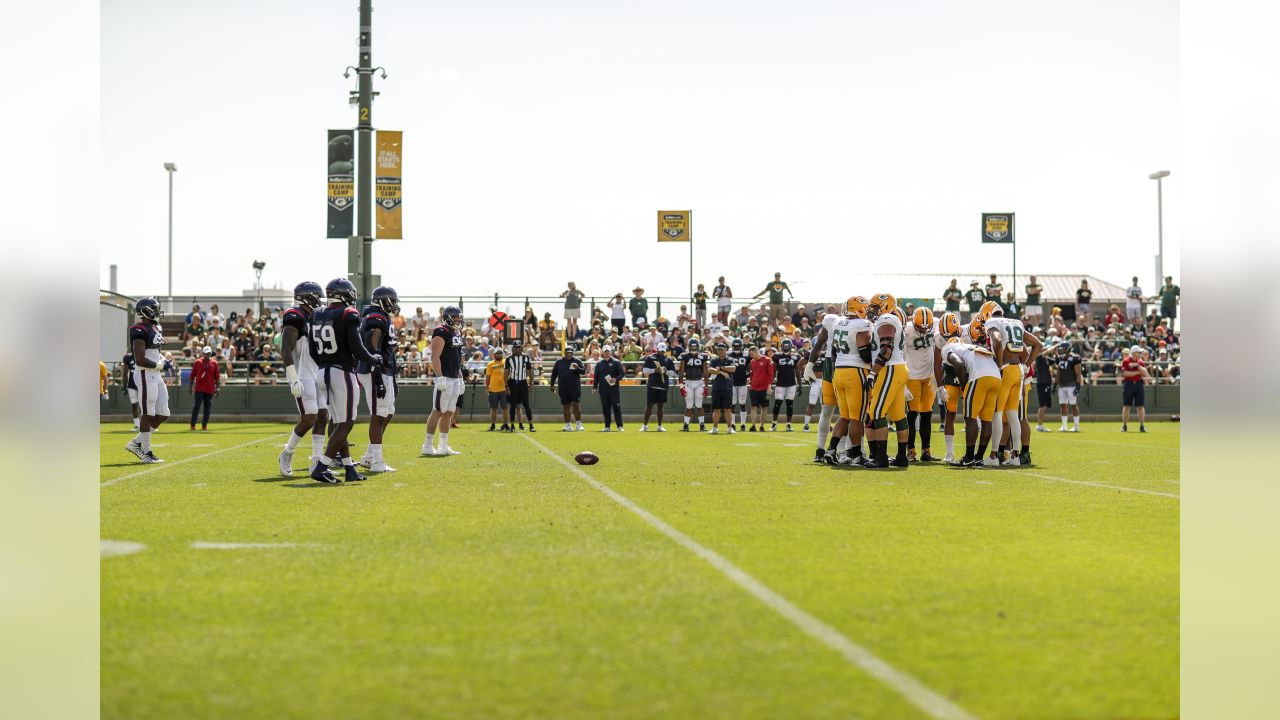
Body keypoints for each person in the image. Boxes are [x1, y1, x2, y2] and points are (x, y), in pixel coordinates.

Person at [311, 278, 384, 483]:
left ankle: (349, 467)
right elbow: (357, 347)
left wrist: (325, 364)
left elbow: (311, 349)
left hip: (322, 371)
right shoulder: (348, 314)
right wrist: (373, 359)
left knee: (337, 422)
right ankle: (322, 466)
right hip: (341, 372)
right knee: (346, 423)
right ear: (345, 294)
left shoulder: (317, 313)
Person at [277, 281, 329, 476]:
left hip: (317, 372)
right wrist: (293, 377)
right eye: (316, 296)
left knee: (323, 416)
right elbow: (286, 348)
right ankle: (287, 452)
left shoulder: (314, 316)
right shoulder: (295, 315)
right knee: (309, 417)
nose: (319, 300)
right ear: (307, 297)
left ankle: (316, 461)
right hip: (302, 374)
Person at [355, 286, 400, 472]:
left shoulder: (382, 316)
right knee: (379, 413)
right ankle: (377, 462)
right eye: (393, 300)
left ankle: (369, 456)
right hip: (375, 370)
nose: (395, 304)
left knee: (388, 411)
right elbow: (372, 349)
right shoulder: (376, 317)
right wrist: (378, 378)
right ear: (383, 301)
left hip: (384, 369)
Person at [863, 294, 909, 468]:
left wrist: (873, 373)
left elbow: (887, 348)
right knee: (898, 415)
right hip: (897, 368)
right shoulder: (890, 319)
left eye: (875, 307)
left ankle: (881, 458)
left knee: (876, 412)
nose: (872, 311)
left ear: (885, 306)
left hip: (889, 368)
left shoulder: (886, 319)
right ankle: (902, 457)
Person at [124, 297, 170, 464]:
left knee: (163, 413)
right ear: (146, 311)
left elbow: (155, 352)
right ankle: (147, 452)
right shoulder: (138, 329)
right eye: (155, 308)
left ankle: (135, 443)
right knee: (148, 413)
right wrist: (160, 365)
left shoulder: (156, 327)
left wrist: (163, 360)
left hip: (155, 374)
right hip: (144, 373)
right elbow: (140, 359)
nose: (157, 311)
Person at [941, 339, 1001, 467]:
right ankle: (978, 457)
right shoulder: (969, 347)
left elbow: (957, 364)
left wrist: (964, 386)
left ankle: (969, 457)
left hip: (980, 376)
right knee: (986, 419)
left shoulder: (947, 348)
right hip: (996, 376)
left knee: (970, 417)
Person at [422, 305, 466, 456]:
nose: (458, 320)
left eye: (459, 317)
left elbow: (457, 358)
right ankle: (427, 445)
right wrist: (439, 376)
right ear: (448, 317)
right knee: (437, 411)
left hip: (454, 377)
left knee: (448, 412)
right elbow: (435, 356)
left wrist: (460, 378)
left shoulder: (456, 332)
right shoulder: (441, 330)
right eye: (456, 317)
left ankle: (443, 446)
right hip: (445, 377)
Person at [902, 307, 939, 462]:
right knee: (911, 416)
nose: (924, 329)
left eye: (926, 327)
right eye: (920, 327)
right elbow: (901, 355)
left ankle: (926, 451)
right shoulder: (907, 331)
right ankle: (911, 451)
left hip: (929, 377)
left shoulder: (936, 323)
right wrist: (903, 382)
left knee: (927, 415)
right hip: (912, 376)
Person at [931, 313, 963, 463]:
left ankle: (974, 452)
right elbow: (937, 364)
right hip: (949, 372)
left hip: (966, 371)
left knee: (972, 413)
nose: (946, 338)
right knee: (950, 412)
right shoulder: (939, 337)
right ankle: (949, 453)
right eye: (944, 336)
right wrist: (940, 387)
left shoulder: (967, 334)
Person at [640, 343, 675, 431]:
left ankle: (659, 426)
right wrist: (655, 370)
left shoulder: (669, 359)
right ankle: (645, 426)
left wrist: (665, 371)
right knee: (649, 406)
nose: (662, 352)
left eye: (663, 351)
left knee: (660, 406)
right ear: (657, 349)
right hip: (652, 385)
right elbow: (645, 371)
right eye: (661, 350)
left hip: (663, 385)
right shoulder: (650, 358)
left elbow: (673, 373)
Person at [770, 338, 803, 431]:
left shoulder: (796, 357)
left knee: (790, 405)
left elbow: (798, 372)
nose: (786, 347)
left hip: (791, 384)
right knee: (777, 404)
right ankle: (774, 424)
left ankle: (788, 425)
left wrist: (800, 385)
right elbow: (773, 371)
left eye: (787, 346)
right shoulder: (777, 356)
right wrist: (770, 383)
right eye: (784, 346)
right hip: (780, 384)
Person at [550, 346, 585, 431]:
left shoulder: (577, 361)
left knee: (576, 405)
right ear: (564, 353)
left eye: (570, 353)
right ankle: (568, 425)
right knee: (566, 406)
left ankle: (578, 424)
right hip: (563, 387)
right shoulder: (559, 361)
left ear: (573, 353)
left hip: (574, 387)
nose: (569, 354)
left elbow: (583, 372)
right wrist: (552, 385)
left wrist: (578, 368)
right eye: (567, 353)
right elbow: (554, 374)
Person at [504, 340, 535, 431]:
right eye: (516, 347)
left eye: (519, 347)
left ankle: (531, 425)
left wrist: (531, 383)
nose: (518, 349)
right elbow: (506, 372)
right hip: (513, 382)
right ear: (513, 348)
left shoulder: (526, 357)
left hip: (523, 382)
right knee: (513, 405)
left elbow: (530, 370)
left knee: (526, 404)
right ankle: (512, 426)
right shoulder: (509, 358)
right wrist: (506, 386)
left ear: (522, 347)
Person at [593, 345, 625, 431]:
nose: (607, 353)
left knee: (616, 407)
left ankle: (620, 426)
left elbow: (622, 374)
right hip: (603, 390)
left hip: (614, 390)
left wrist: (615, 379)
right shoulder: (599, 364)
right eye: (605, 352)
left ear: (611, 352)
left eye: (608, 352)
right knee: (605, 408)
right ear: (602, 353)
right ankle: (607, 426)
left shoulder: (616, 362)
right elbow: (596, 377)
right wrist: (594, 387)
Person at [678, 337, 708, 432]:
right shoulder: (685, 356)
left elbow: (706, 372)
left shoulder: (703, 356)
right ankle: (686, 425)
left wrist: (706, 387)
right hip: (689, 382)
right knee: (689, 405)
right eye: (692, 346)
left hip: (699, 382)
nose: (694, 348)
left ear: (698, 347)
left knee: (699, 405)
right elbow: (681, 372)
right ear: (689, 346)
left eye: (695, 346)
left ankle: (702, 425)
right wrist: (681, 386)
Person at [706, 343, 736, 434]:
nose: (720, 351)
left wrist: (720, 368)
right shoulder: (714, 360)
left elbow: (733, 369)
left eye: (722, 350)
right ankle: (715, 428)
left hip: (727, 388)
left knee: (728, 409)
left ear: (726, 350)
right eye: (719, 350)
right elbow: (709, 370)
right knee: (716, 409)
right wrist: (721, 373)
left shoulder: (729, 359)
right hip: (717, 387)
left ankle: (730, 428)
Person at [1054, 342, 1084, 432]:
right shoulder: (1060, 358)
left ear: (1067, 348)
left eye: (1062, 348)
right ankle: (1064, 426)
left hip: (1071, 385)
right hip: (1062, 385)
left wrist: (1078, 386)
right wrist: (1055, 385)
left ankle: (1076, 426)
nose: (1061, 350)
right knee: (1063, 405)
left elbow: (1078, 374)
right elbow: (1058, 372)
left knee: (1073, 405)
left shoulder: (1075, 358)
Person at [189, 346, 220, 431]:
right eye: (206, 353)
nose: (207, 355)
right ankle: (192, 425)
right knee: (196, 407)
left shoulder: (214, 363)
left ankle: (204, 425)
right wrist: (190, 387)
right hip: (199, 388)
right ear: (203, 353)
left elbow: (217, 377)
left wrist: (217, 388)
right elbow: (192, 375)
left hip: (209, 389)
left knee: (207, 408)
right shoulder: (197, 362)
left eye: (209, 353)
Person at [1120, 344, 1150, 432]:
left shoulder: (1140, 362)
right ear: (1134, 353)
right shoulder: (1126, 361)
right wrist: (1137, 372)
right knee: (1127, 406)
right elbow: (1125, 374)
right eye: (1139, 352)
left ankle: (1142, 426)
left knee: (1140, 406)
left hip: (1138, 384)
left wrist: (1137, 365)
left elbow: (1144, 373)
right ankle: (1124, 426)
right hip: (1128, 384)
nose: (1140, 354)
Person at [746, 345, 774, 432]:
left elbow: (770, 374)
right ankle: (753, 425)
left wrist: (769, 386)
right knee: (753, 407)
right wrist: (749, 381)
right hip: (754, 387)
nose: (751, 356)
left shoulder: (767, 360)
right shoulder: (752, 362)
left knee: (764, 407)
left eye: (751, 354)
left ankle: (762, 426)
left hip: (764, 388)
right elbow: (752, 374)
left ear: (755, 352)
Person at [485, 347, 511, 432]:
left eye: (500, 353)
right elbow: (487, 377)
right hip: (493, 389)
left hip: (504, 389)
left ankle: (506, 424)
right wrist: (487, 387)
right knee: (493, 408)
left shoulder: (506, 362)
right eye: (497, 353)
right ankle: (492, 425)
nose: (499, 354)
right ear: (494, 354)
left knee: (505, 408)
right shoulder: (490, 364)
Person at [728, 337, 751, 431]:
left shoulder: (746, 355)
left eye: (738, 346)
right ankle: (733, 424)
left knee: (742, 403)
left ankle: (743, 424)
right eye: (735, 346)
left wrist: (748, 375)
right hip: (732, 382)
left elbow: (750, 366)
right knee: (732, 404)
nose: (736, 348)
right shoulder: (729, 355)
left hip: (742, 382)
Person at [120, 351, 141, 430]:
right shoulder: (128, 357)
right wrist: (124, 385)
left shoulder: (145, 353)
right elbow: (125, 372)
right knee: (134, 405)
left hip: (142, 383)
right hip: (132, 384)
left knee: (145, 405)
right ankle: (137, 425)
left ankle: (147, 424)